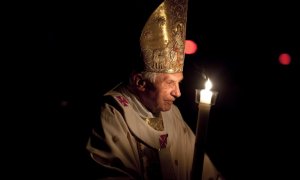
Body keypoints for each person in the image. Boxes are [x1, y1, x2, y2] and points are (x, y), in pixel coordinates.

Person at [86, 0, 224, 179]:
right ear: (140, 83)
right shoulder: (112, 114)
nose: (178, 92)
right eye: (169, 83)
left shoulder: (172, 113)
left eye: (179, 82)